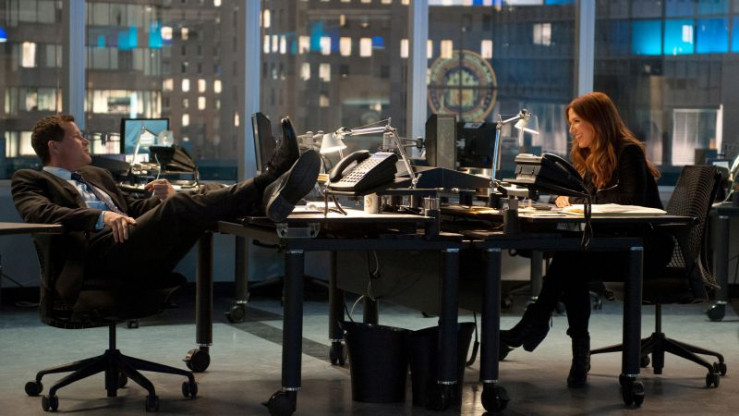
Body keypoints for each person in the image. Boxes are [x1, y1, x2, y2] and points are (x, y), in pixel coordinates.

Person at [11, 114, 320, 305]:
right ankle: (268, 182)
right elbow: (41, 214)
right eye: (78, 137)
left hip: (130, 243)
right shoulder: (31, 179)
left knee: (200, 196)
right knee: (186, 204)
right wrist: (100, 217)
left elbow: (133, 207)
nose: (85, 142)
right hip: (95, 255)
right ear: (54, 146)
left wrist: (163, 200)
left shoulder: (97, 175)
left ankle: (266, 197)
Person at [499, 92, 672, 387]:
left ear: (598, 121)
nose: (572, 130)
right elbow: (588, 197)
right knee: (571, 261)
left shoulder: (628, 152)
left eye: (577, 122)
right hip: (615, 245)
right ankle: (568, 346)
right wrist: (566, 198)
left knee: (570, 261)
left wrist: (576, 200)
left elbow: (629, 200)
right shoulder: (593, 157)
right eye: (571, 123)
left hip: (645, 249)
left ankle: (544, 330)